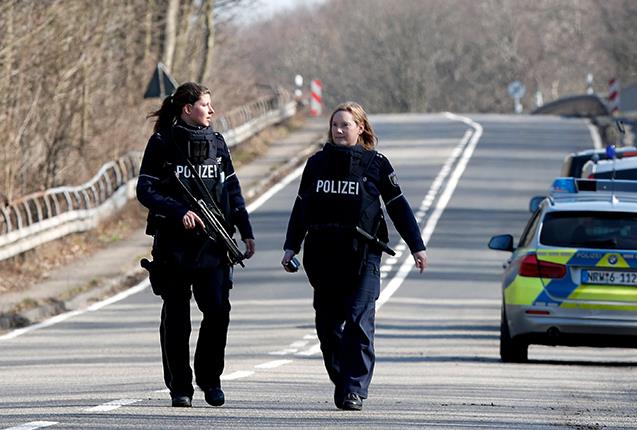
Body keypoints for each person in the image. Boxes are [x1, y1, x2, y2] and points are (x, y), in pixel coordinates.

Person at [281, 101, 427, 411]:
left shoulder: (377, 164)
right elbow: (301, 208)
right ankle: (343, 380)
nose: (338, 129)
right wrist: (290, 246)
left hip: (363, 256)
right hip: (323, 256)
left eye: (345, 124)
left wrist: (416, 246)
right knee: (328, 327)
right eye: (335, 124)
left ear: (360, 128)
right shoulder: (316, 164)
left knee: (359, 322)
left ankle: (355, 389)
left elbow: (398, 207)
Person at [137, 82, 256, 408]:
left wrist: (245, 230)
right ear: (187, 109)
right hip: (174, 246)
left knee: (218, 311)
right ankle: (180, 386)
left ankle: (209, 378)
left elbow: (232, 190)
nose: (212, 110)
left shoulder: (217, 142)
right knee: (177, 317)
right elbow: (145, 191)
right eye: (206, 104)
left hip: (214, 245)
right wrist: (178, 213)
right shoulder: (162, 143)